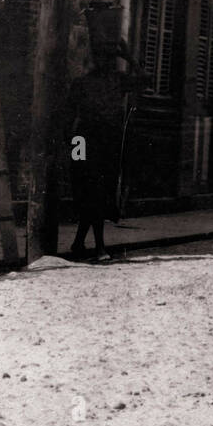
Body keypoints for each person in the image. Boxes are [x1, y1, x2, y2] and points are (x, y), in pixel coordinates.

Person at [65, 36, 142, 262]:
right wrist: (72, 148)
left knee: (99, 193)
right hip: (85, 141)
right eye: (99, 57)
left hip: (109, 142)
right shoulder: (81, 83)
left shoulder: (118, 81)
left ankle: (80, 242)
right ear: (93, 59)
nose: (103, 61)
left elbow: (144, 79)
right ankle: (98, 246)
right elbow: (68, 116)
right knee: (91, 192)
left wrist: (128, 55)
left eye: (108, 57)